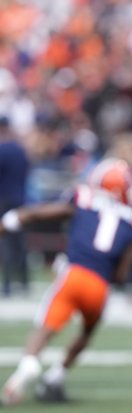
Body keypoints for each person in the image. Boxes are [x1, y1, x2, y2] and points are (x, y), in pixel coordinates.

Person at [1, 158, 132, 405]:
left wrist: (10, 221)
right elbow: (122, 274)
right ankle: (56, 375)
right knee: (87, 332)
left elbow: (37, 213)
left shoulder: (84, 199)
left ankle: (28, 364)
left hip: (74, 274)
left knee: (45, 328)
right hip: (100, 286)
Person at [0, 115, 30, 296]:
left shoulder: (2, 150)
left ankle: (8, 283)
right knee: (20, 240)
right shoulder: (20, 150)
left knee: (5, 241)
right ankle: (25, 281)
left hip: (3, 199)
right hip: (20, 198)